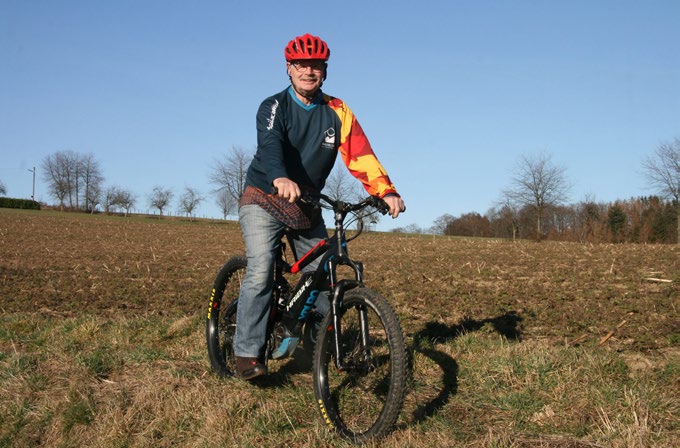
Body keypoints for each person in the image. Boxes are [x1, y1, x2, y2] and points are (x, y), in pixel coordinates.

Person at [234, 33, 405, 380]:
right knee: (262, 268)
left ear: (324, 70)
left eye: (315, 66)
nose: (308, 72)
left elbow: (361, 155)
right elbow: (269, 148)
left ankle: (313, 345)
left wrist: (385, 191)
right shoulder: (274, 106)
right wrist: (280, 178)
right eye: (301, 65)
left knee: (322, 278)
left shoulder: (337, 112)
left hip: (306, 203)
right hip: (264, 196)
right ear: (289, 68)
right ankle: (246, 353)